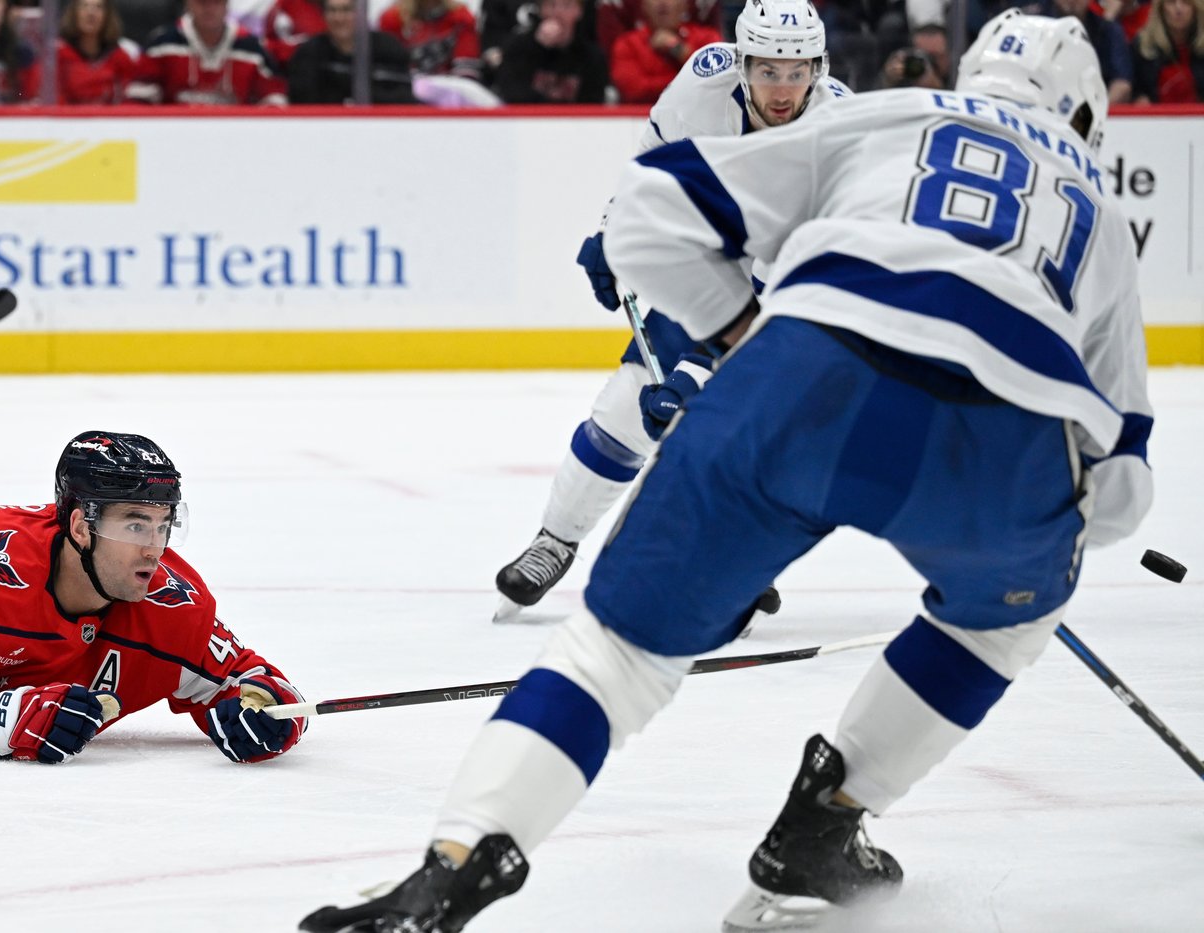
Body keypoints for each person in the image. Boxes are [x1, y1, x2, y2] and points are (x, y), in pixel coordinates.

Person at [300, 9, 1152, 931]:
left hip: (801, 378)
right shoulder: (1100, 213)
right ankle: (823, 830)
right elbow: (1122, 491)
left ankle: (457, 862)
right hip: (1000, 441)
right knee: (997, 630)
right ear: (1083, 118)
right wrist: (1027, 558)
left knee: (616, 656)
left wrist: (742, 340)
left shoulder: (885, 115)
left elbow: (648, 218)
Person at [494, 0, 848, 621]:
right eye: (769, 71)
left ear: (817, 68)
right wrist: (613, 233)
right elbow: (653, 171)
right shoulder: (705, 82)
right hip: (709, 254)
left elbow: (781, 287)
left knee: (757, 430)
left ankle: (735, 558)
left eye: (798, 73)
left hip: (801, 288)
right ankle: (555, 538)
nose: (784, 89)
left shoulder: (835, 131)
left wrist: (697, 373)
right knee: (628, 407)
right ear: (743, 63)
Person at [0, 431, 308, 766]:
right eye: (134, 524)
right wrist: (1, 721)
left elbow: (254, 680)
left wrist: (270, 712)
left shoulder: (172, 607)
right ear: (79, 527)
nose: (153, 548)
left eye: (162, 524)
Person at [127, 0, 284, 104]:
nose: (209, 9)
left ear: (227, 4)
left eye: (216, 2)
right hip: (175, 139)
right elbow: (138, 100)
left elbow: (275, 100)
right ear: (188, 3)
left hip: (235, 140)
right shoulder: (162, 45)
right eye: (202, 2)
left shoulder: (251, 48)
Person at [286, 0, 416, 103]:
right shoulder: (309, 53)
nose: (338, 18)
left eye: (346, 10)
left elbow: (403, 95)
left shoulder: (388, 49)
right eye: (332, 10)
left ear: (360, 13)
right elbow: (301, 100)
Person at [491, 0, 607, 103]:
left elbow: (592, 103)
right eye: (551, 5)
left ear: (579, 12)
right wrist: (537, 47)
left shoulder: (591, 56)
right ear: (541, 10)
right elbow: (511, 93)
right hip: (528, 122)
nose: (558, 13)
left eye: (567, 5)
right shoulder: (519, 47)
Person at [608, 0, 723, 103]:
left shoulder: (707, 39)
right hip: (641, 120)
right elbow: (633, 90)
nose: (662, 3)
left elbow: (716, 81)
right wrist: (691, 84)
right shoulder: (627, 44)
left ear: (684, 4)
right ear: (643, 6)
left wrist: (678, 49)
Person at [55, 0, 140, 104]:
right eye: (84, 6)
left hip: (109, 119)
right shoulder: (57, 55)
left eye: (98, 7)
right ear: (74, 13)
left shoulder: (121, 56)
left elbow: (131, 100)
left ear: (107, 15)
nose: (91, 13)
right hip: (67, 119)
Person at [377, 0, 481, 80]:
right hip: (405, 94)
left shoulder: (461, 18)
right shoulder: (392, 20)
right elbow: (388, 71)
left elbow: (466, 71)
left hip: (450, 96)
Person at [1053, 0, 1134, 101]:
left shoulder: (1109, 31)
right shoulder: (1038, 27)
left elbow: (1122, 83)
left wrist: (1099, 112)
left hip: (1096, 106)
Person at [1131, 0, 1204, 103]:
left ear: (1196, 9)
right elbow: (1134, 90)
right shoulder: (1142, 46)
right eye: (1171, 2)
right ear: (1160, 9)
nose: (1178, 9)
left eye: (1186, 3)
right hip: (1155, 117)